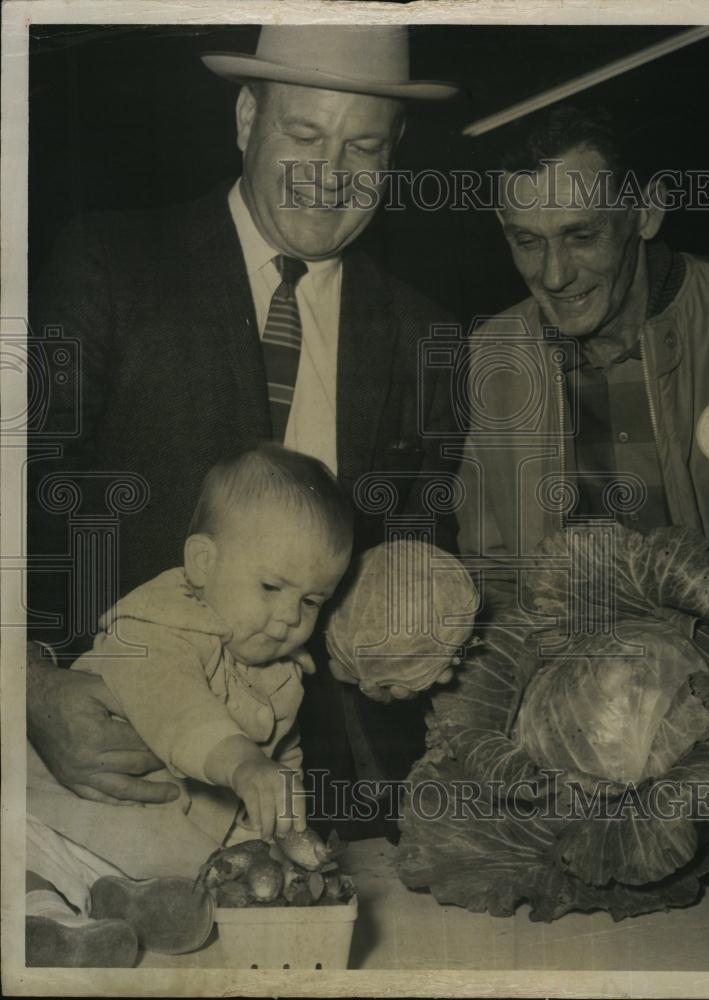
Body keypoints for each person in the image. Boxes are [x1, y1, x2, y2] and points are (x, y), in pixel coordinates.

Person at [26, 25, 461, 823]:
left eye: (362, 148)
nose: (330, 176)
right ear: (245, 118)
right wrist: (25, 686)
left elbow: (418, 556)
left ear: (392, 154)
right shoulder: (109, 265)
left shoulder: (424, 336)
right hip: (106, 758)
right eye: (304, 135)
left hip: (324, 787)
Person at [26, 441, 352, 966]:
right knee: (30, 851)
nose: (291, 617)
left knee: (183, 881)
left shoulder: (283, 670)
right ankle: (42, 919)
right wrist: (245, 763)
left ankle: (120, 902)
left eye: (312, 600)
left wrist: (285, 815)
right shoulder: (156, 626)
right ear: (202, 562)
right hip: (70, 800)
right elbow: (181, 712)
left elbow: (283, 758)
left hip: (145, 826)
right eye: (271, 586)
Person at [456, 104, 709, 608]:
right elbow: (493, 575)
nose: (555, 276)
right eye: (528, 242)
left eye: (582, 236)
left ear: (646, 213)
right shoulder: (494, 357)